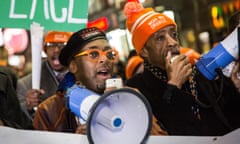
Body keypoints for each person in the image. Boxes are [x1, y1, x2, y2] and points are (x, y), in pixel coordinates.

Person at [124, 1, 240, 136]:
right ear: (144, 51)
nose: (173, 42)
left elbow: (228, 119)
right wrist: (174, 86)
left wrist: (233, 88)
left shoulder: (196, 72)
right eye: (160, 38)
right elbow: (168, 132)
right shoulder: (138, 88)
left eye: (173, 34)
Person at [32, 27, 167, 135]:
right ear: (73, 66)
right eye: (93, 54)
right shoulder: (48, 112)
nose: (105, 59)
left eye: (109, 54)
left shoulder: (131, 98)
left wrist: (131, 127)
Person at [16, 31, 72, 125]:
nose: (56, 50)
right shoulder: (26, 84)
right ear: (45, 50)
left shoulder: (84, 79)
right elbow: (16, 121)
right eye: (51, 45)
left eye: (62, 45)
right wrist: (28, 107)